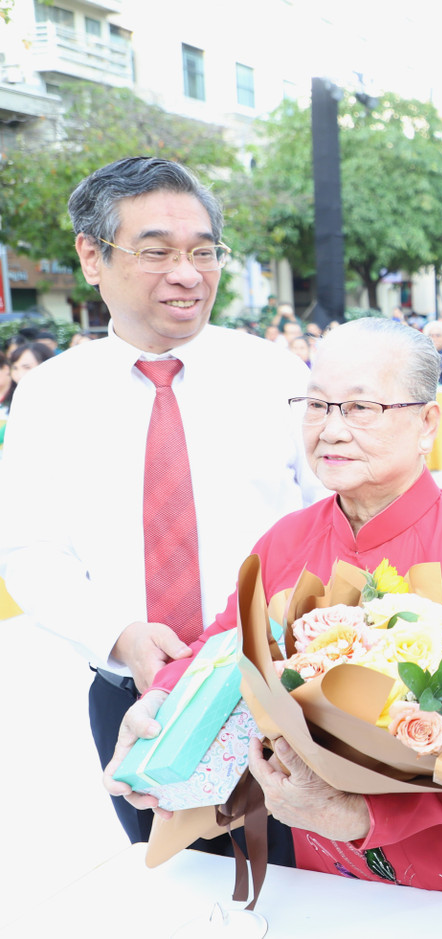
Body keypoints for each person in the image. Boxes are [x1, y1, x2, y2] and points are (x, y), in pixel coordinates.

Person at [103, 318, 442, 901]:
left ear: (427, 422)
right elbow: (224, 642)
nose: (331, 430)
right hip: (319, 850)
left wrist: (359, 815)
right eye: (316, 405)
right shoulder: (286, 539)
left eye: (360, 408)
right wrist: (159, 710)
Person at [0, 157, 323, 845]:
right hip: (135, 703)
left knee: (310, 895)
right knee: (179, 895)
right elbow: (30, 549)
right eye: (157, 252)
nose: (188, 273)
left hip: (283, 704)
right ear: (92, 255)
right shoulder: (50, 397)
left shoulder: (279, 377)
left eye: (203, 251)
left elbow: (339, 521)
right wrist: (120, 637)